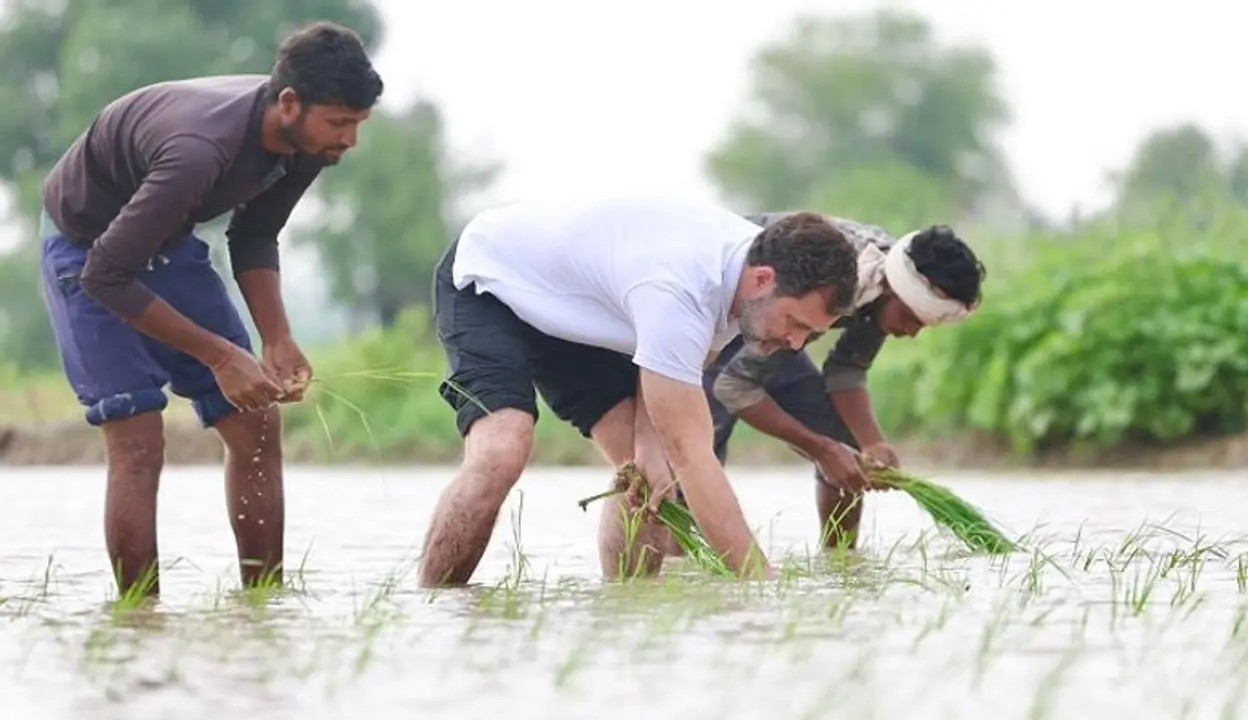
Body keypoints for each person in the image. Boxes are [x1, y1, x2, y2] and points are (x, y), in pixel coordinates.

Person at [37, 21, 383, 597]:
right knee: (137, 438)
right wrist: (222, 355)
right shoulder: (199, 150)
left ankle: (263, 604)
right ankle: (138, 620)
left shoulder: (308, 145)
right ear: (290, 103)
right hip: (85, 247)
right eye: (341, 123)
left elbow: (253, 236)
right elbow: (107, 273)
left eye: (357, 124)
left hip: (165, 240)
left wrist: (276, 337)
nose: (349, 140)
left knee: (256, 421)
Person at [420, 193, 861, 586]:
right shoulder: (680, 286)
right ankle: (433, 605)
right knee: (503, 448)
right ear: (764, 280)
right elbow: (694, 453)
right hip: (492, 281)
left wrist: (650, 451)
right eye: (796, 324)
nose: (795, 344)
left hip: (594, 312)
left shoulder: (745, 282)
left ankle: (629, 613)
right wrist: (760, 581)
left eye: (811, 334)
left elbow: (671, 377)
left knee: (650, 477)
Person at [700, 213, 985, 550]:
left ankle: (840, 561)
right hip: (732, 310)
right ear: (896, 290)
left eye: (921, 325)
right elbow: (735, 386)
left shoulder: (886, 285)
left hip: (784, 332)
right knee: (698, 450)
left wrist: (871, 444)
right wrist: (820, 449)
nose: (910, 333)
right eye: (909, 319)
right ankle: (680, 562)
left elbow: (846, 369)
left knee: (844, 449)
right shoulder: (843, 283)